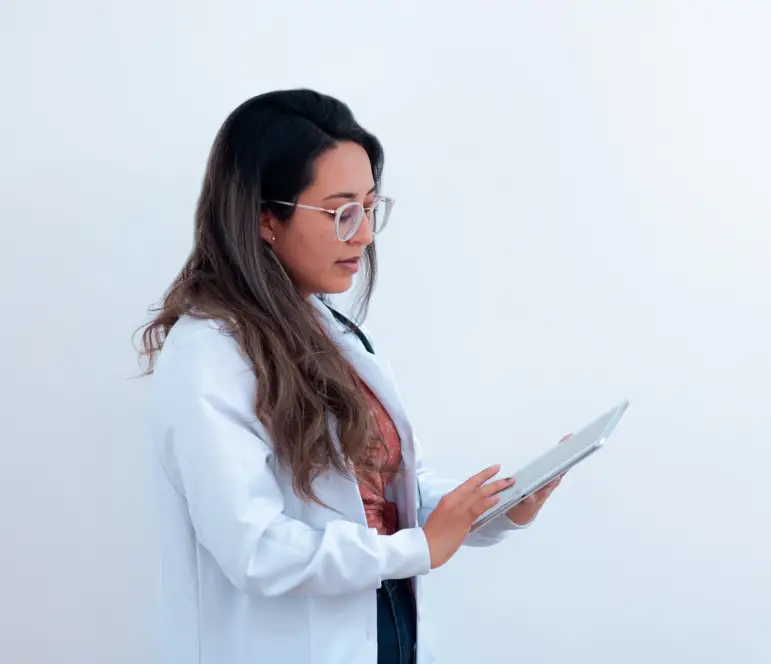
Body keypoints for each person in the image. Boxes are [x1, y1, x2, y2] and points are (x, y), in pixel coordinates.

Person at [140, 89, 563, 664]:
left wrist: (491, 508)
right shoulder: (209, 355)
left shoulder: (329, 333)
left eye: (370, 206)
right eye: (341, 211)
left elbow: (384, 495)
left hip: (383, 634)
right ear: (266, 218)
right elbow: (256, 548)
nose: (364, 235)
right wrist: (414, 549)